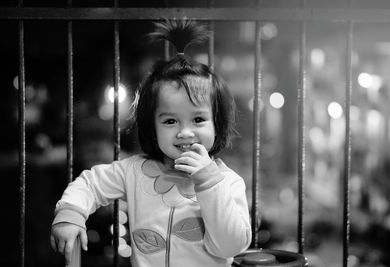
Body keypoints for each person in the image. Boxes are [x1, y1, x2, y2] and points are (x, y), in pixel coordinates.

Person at [50, 19, 252, 267]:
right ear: (151, 126)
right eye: (170, 121)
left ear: (217, 123)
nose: (185, 132)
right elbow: (90, 184)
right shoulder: (133, 172)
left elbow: (230, 246)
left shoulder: (227, 182)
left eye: (198, 119)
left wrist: (208, 183)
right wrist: (70, 215)